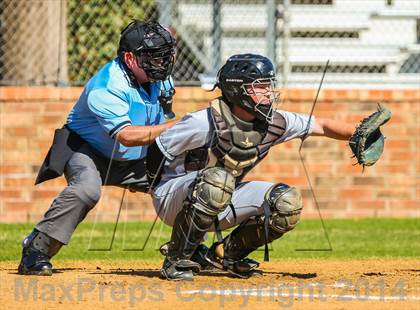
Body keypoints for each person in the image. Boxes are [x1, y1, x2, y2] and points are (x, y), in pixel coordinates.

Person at [146, 53, 389, 281]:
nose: (269, 92)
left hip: (219, 194)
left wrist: (357, 134)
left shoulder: (275, 122)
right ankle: (177, 259)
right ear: (237, 90)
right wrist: (155, 189)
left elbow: (321, 125)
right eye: (260, 86)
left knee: (286, 203)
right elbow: (158, 148)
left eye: (269, 85)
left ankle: (223, 256)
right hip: (173, 196)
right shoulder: (203, 122)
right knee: (217, 181)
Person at [18, 20, 178, 275]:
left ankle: (189, 250)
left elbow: (162, 122)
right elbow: (125, 136)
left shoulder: (160, 79)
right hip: (87, 150)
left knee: (191, 179)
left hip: (136, 156)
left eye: (164, 56)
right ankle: (36, 249)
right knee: (86, 189)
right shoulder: (107, 85)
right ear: (129, 58)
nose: (162, 63)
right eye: (153, 57)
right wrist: (178, 128)